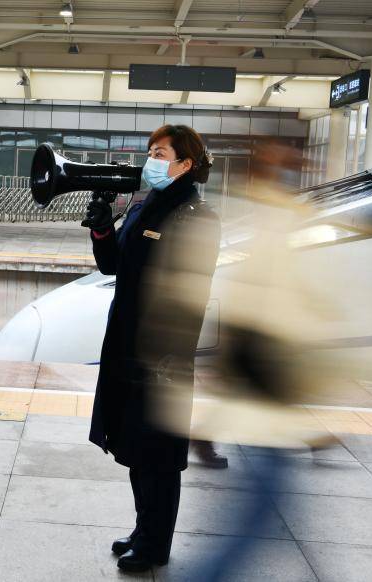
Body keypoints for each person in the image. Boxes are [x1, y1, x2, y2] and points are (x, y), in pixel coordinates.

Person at [83, 124, 221, 572]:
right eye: (150, 152)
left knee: (159, 458)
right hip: (126, 347)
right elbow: (112, 265)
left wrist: (167, 355)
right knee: (135, 450)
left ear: (185, 164)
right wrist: (103, 230)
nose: (151, 160)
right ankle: (144, 530)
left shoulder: (197, 217)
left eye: (160, 153)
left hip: (162, 358)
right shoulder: (144, 205)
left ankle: (156, 544)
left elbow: (191, 295)